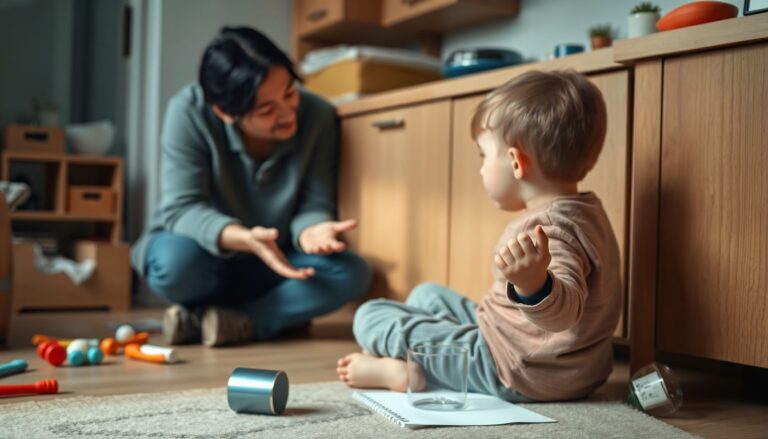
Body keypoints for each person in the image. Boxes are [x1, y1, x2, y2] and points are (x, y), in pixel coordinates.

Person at [336, 70, 621, 402]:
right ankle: (431, 357)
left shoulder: (550, 231)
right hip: (563, 363)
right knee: (427, 295)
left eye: (484, 155)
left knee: (369, 316)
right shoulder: (583, 211)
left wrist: (535, 285)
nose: (482, 168)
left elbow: (562, 315)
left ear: (516, 162)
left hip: (518, 369)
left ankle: (411, 372)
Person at [131, 27, 371, 347]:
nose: (288, 114)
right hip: (205, 257)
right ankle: (249, 316)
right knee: (173, 265)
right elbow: (182, 208)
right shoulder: (189, 112)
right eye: (267, 110)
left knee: (351, 273)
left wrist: (310, 232)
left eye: (289, 92)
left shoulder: (318, 116)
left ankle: (237, 321)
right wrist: (245, 238)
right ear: (224, 113)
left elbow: (314, 204)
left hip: (277, 259)